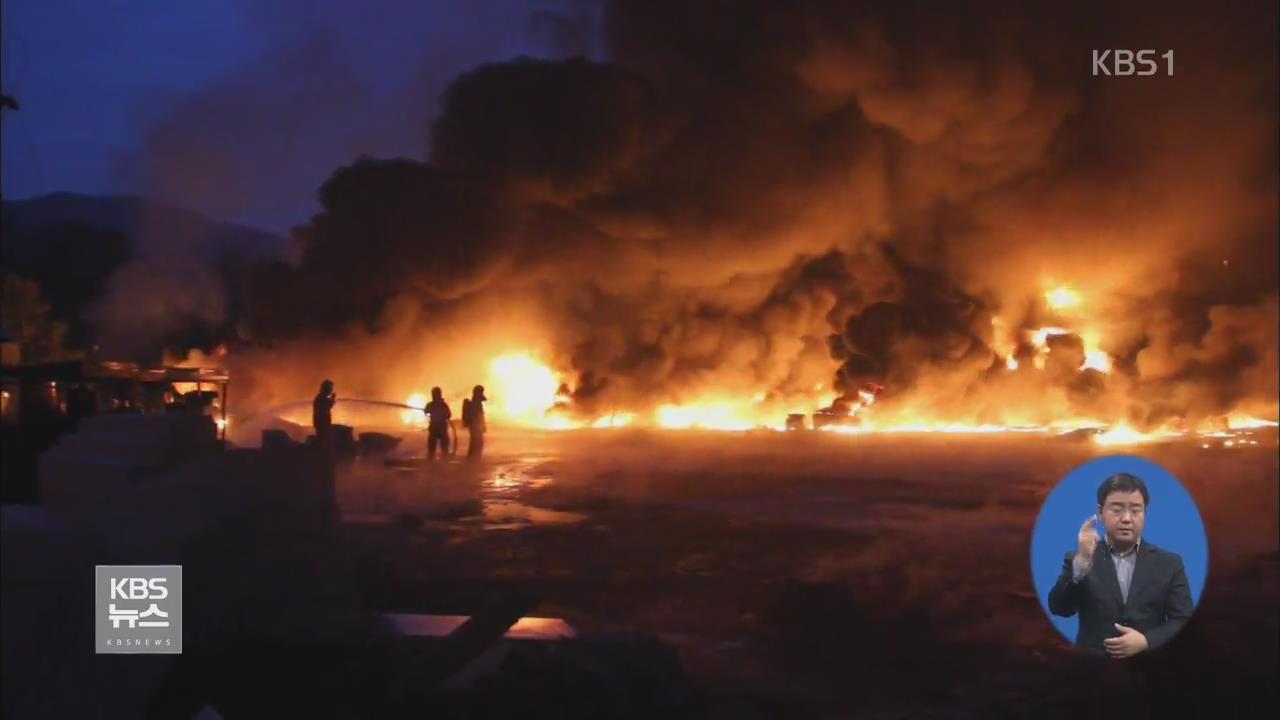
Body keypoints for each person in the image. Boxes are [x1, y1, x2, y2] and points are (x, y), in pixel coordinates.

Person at [1048, 472, 1194, 657]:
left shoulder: (1169, 563)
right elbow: (1059, 608)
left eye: (1135, 510)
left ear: (1144, 514)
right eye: (1117, 509)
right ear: (1101, 513)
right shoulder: (1078, 559)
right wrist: (1082, 562)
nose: (1126, 518)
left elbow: (1182, 619)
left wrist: (1146, 641)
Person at [423, 387, 451, 461]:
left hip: (440, 429)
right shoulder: (432, 405)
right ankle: (431, 462)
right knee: (432, 448)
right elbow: (426, 412)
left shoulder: (442, 405)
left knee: (444, 448)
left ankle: (444, 462)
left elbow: (448, 415)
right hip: (436, 429)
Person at [461, 385, 487, 460]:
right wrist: (482, 425)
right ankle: (473, 458)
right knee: (477, 443)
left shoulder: (476, 402)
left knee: (476, 442)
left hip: (475, 426)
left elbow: (480, 415)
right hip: (475, 426)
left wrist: (483, 425)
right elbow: (478, 415)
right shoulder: (475, 403)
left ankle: (473, 458)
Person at [312, 380, 336, 449]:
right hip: (322, 425)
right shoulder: (320, 398)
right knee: (324, 443)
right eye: (330, 389)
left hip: (323, 424)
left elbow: (328, 406)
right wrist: (332, 399)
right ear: (325, 389)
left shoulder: (321, 398)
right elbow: (327, 407)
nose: (331, 390)